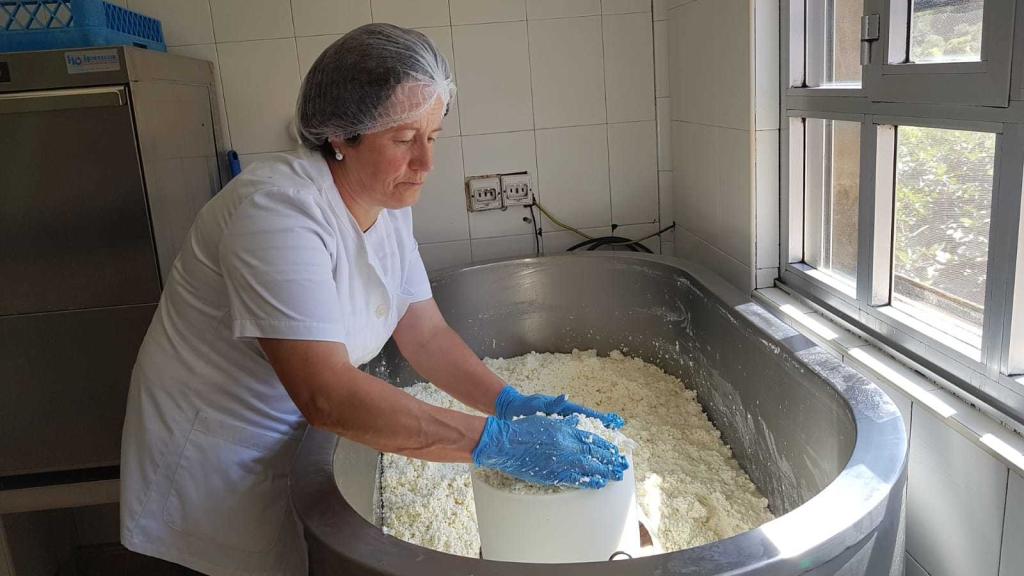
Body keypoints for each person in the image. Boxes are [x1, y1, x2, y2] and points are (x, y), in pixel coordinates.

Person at [119, 23, 627, 576]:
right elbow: (328, 394)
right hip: (212, 463)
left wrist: (507, 403)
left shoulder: (386, 207)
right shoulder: (275, 215)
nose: (426, 164)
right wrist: (494, 440)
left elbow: (425, 336)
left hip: (289, 449)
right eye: (404, 140)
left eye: (433, 136)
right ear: (340, 135)